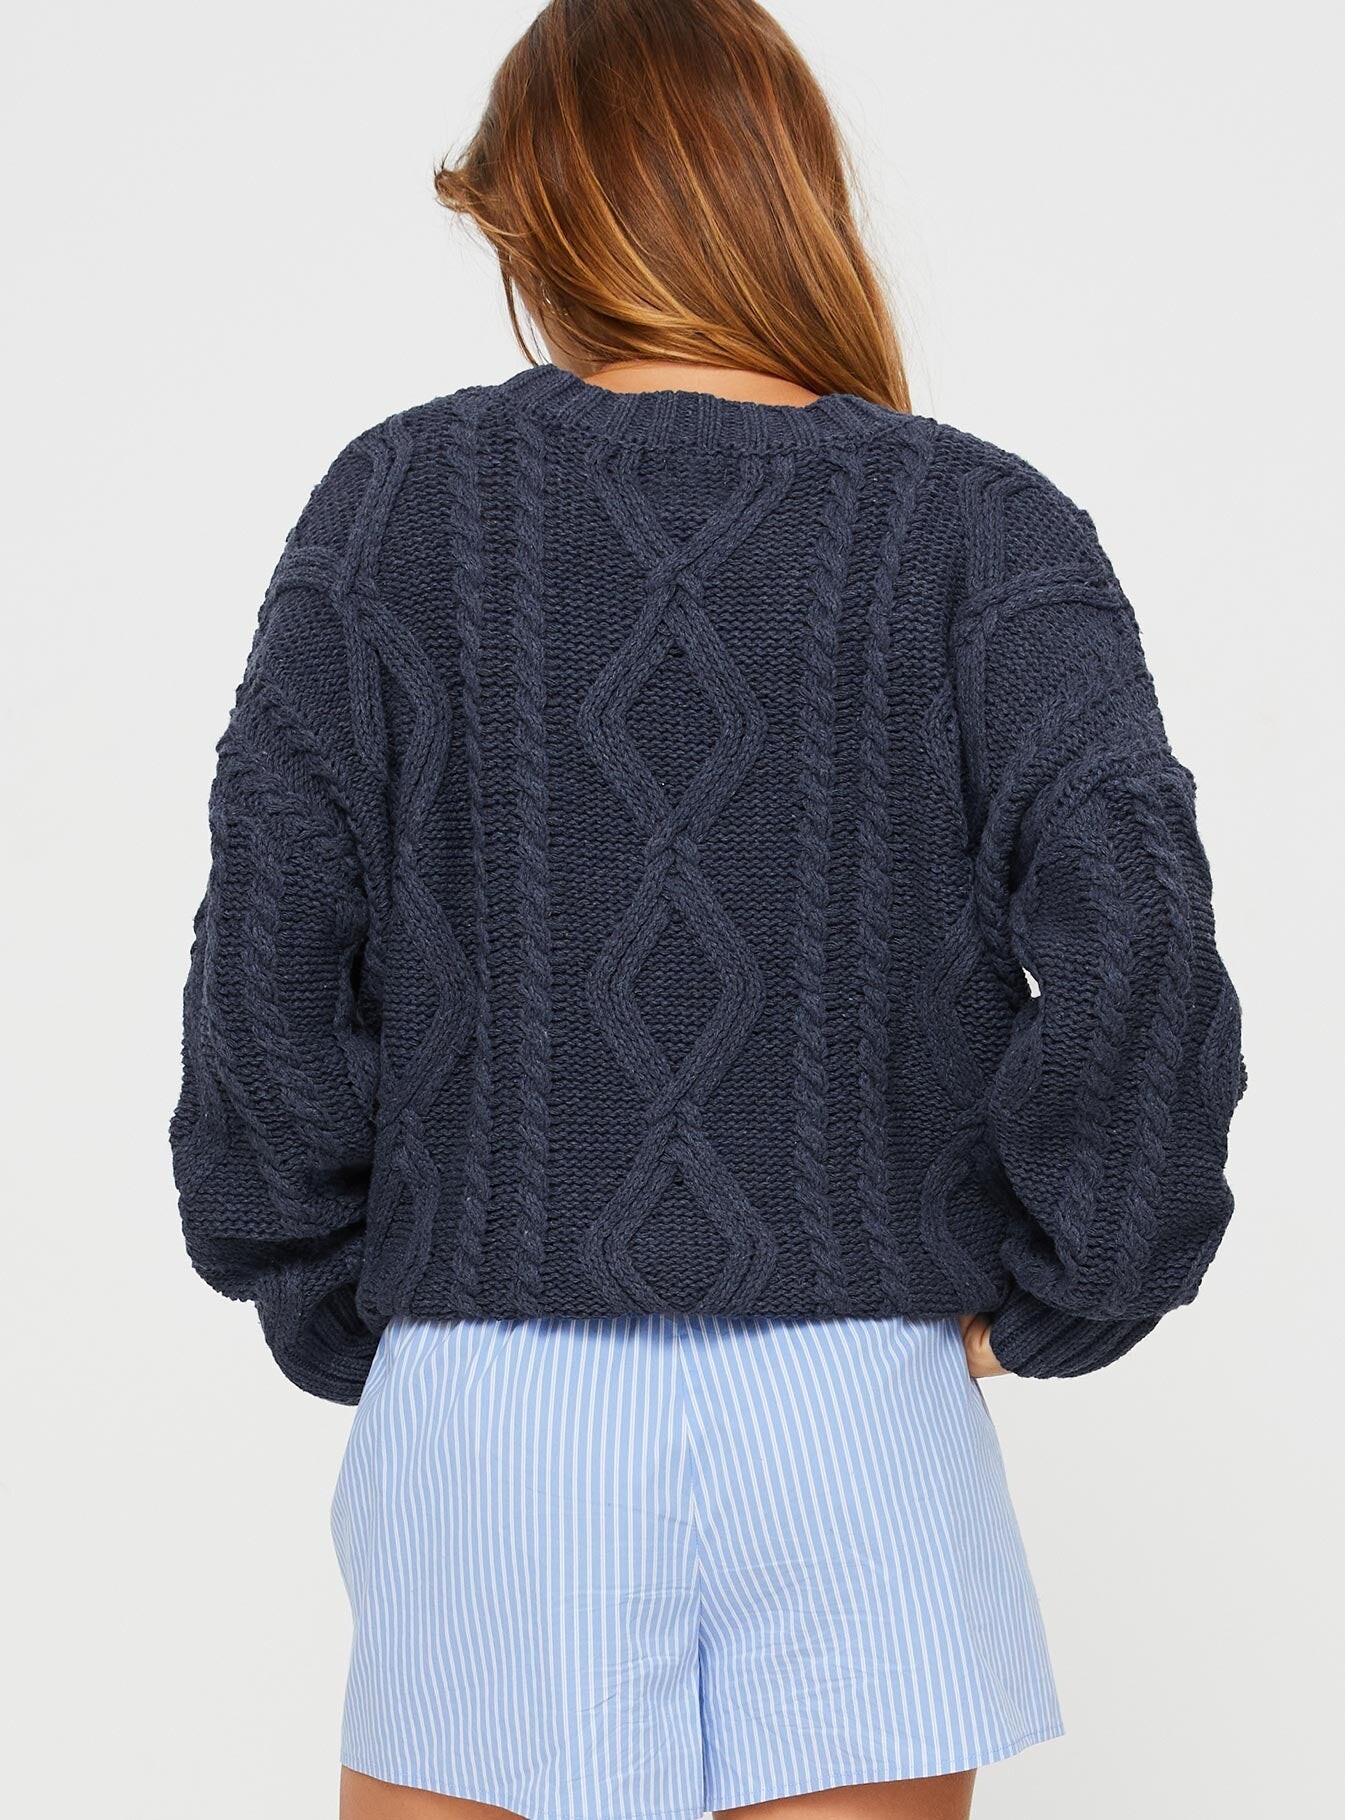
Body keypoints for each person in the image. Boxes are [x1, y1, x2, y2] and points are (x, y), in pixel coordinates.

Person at [166, 2, 1247, 1817]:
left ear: (538, 216)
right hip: (859, 1394)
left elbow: (268, 932)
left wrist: (334, 1285)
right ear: (792, 200)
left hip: (489, 1391)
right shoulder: (983, 527)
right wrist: (1062, 1282)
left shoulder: (397, 507)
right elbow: (1136, 908)